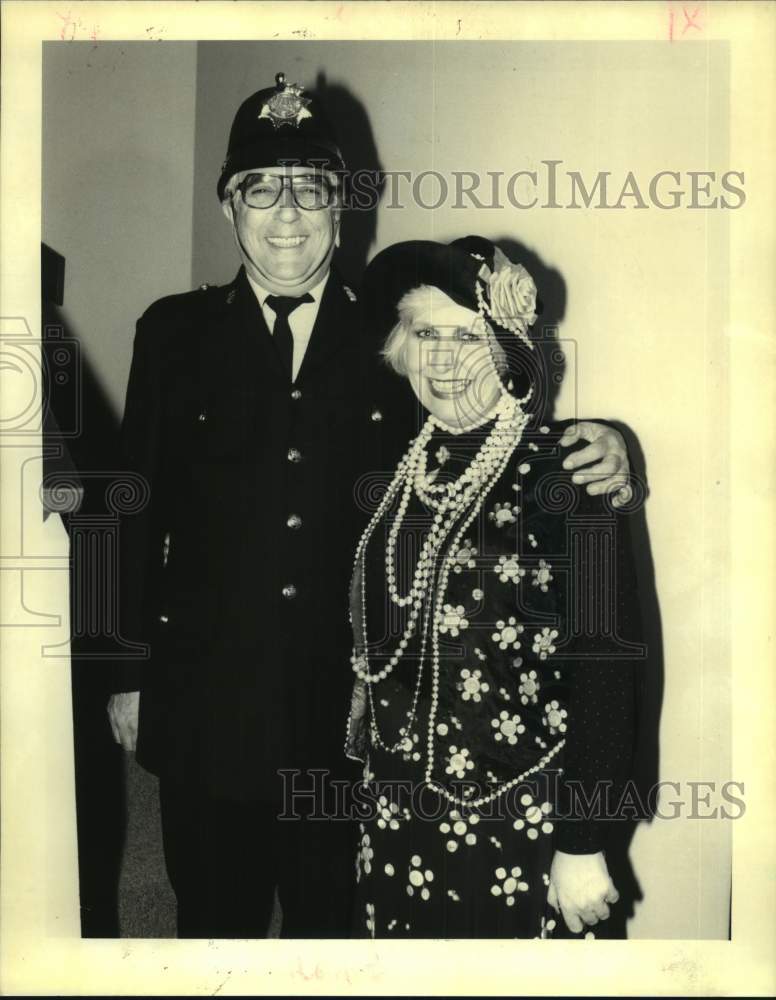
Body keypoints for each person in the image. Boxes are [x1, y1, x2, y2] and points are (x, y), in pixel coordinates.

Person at [107, 73, 633, 939]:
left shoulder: (391, 333)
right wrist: (124, 670)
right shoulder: (171, 333)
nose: (287, 214)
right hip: (205, 703)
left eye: (310, 189)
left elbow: (481, 423)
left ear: (339, 208)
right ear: (228, 207)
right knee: (209, 921)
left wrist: (601, 439)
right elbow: (132, 508)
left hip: (344, 721)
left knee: (334, 933)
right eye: (261, 190)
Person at [346, 236, 644, 938]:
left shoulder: (571, 474)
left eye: (468, 336)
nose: (443, 359)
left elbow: (609, 672)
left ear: (511, 356)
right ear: (402, 346)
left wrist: (584, 840)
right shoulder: (400, 471)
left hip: (521, 827)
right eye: (425, 333)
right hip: (395, 817)